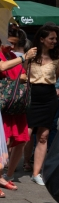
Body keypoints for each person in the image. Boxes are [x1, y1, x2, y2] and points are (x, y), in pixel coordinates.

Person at [0, 28, 36, 197]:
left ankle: (2, 176)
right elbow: (1, 67)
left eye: (13, 43)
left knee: (20, 139)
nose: (10, 46)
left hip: (14, 103)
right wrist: (24, 58)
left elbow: (22, 76)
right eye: (9, 42)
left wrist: (24, 65)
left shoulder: (13, 55)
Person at [23, 25, 59, 185]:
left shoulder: (57, 58)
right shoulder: (30, 55)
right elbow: (21, 73)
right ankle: (17, 163)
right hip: (31, 95)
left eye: (56, 39)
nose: (55, 41)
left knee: (43, 136)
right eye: (52, 38)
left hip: (49, 97)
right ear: (42, 39)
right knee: (25, 134)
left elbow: (56, 77)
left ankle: (36, 173)